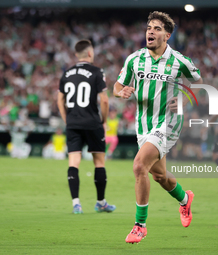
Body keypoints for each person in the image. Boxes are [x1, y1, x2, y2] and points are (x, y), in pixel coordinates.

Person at [113, 11, 203, 244]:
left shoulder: (180, 61)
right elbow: (118, 84)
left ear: (168, 35)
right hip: (143, 125)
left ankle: (139, 225)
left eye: (157, 28)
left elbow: (200, 84)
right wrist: (120, 91)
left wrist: (184, 100)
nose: (150, 31)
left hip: (168, 123)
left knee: (139, 165)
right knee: (160, 176)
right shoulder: (134, 59)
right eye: (149, 28)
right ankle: (185, 199)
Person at [57, 39, 116, 214]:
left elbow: (59, 99)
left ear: (76, 54)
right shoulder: (97, 72)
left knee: (73, 162)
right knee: (99, 162)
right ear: (90, 53)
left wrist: (66, 119)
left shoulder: (66, 73)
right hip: (92, 122)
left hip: (73, 122)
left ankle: (76, 203)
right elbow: (104, 100)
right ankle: (100, 202)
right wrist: (104, 121)